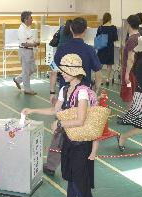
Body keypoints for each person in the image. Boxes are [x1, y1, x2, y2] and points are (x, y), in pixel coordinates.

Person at [22, 54, 98, 197]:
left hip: (81, 144)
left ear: (74, 72)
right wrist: (32, 111)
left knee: (81, 185)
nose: (61, 72)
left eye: (64, 70)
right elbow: (54, 111)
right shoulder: (64, 89)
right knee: (71, 177)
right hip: (68, 140)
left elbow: (81, 120)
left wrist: (60, 123)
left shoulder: (82, 92)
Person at [45, 17, 102, 176]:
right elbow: (98, 74)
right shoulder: (90, 50)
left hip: (66, 94)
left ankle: (51, 166)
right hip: (84, 95)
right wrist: (95, 92)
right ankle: (81, 162)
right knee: (83, 127)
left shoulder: (61, 49)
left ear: (70, 30)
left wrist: (52, 92)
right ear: (85, 31)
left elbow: (53, 72)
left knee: (61, 129)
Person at [13, 11, 40, 95]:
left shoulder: (28, 28)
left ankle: (18, 79)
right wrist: (34, 44)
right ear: (25, 19)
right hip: (24, 51)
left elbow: (30, 39)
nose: (32, 19)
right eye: (30, 18)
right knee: (26, 71)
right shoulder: (21, 29)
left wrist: (36, 41)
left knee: (32, 69)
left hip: (30, 51)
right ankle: (27, 89)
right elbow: (23, 43)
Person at [120, 14, 141, 108]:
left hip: (130, 72)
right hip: (136, 71)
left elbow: (131, 58)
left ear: (129, 24)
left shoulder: (132, 39)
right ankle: (132, 115)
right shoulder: (139, 36)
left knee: (129, 93)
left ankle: (131, 115)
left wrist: (127, 74)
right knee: (132, 92)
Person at [96, 12, 118, 86]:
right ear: (110, 19)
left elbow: (97, 37)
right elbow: (115, 38)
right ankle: (107, 79)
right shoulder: (113, 28)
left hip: (102, 47)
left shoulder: (100, 27)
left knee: (100, 64)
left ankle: (100, 80)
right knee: (109, 64)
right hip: (110, 48)